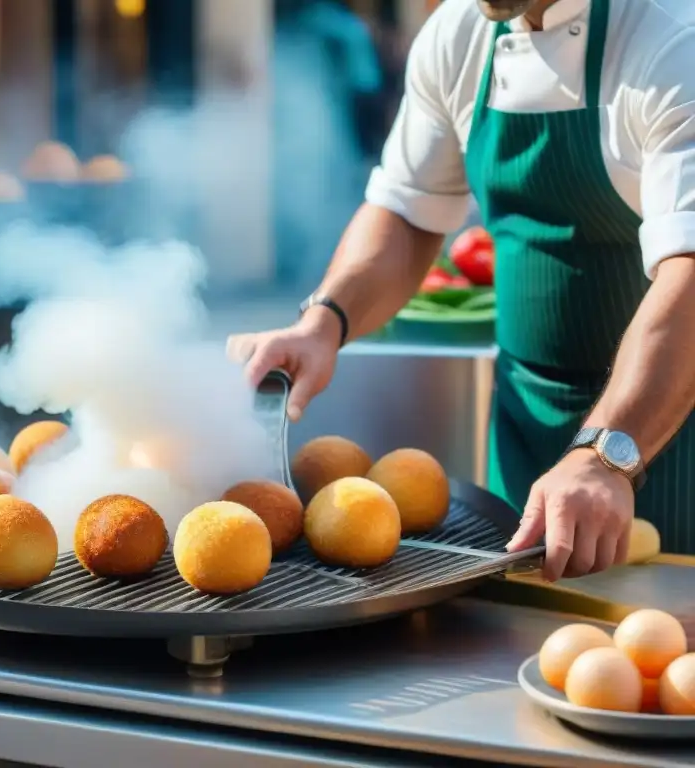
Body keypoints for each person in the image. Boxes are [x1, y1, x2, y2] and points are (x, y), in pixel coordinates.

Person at [228, 0, 695, 580]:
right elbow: (406, 211)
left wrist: (607, 454)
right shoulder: (458, 35)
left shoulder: (676, 38)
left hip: (668, 435)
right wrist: (324, 320)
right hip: (527, 432)